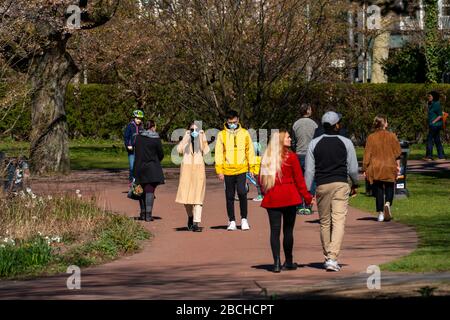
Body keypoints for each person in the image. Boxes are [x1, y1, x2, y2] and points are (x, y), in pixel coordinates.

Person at [305, 111, 358, 272]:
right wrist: (355, 183)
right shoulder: (346, 142)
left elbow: (309, 171)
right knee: (339, 221)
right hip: (340, 184)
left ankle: (328, 255)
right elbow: (353, 168)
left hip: (322, 185)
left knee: (325, 222)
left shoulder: (314, 143)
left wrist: (307, 191)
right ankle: (332, 257)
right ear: (336, 125)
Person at [259, 130, 312, 273]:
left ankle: (276, 262)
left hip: (273, 197)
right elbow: (299, 180)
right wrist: (307, 197)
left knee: (274, 232)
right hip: (289, 196)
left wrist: (266, 193)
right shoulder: (291, 157)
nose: (290, 139)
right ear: (282, 140)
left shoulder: (267, 157)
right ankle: (288, 260)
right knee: (288, 231)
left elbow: (261, 181)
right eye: (288, 137)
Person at [215, 110, 257, 231]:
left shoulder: (244, 133)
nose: (232, 124)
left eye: (234, 122)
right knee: (229, 196)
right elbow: (218, 153)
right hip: (227, 170)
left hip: (241, 169)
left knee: (242, 192)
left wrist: (252, 168)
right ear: (226, 121)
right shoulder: (221, 135)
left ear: (238, 120)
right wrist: (219, 170)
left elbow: (250, 151)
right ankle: (232, 220)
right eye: (230, 122)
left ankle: (244, 219)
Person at [363, 115, 401, 222]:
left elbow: (367, 155)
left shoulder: (371, 137)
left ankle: (380, 213)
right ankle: (388, 203)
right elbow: (397, 153)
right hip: (389, 165)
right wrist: (398, 166)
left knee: (378, 189)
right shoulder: (392, 136)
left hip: (375, 166)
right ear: (384, 124)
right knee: (390, 186)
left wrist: (365, 168)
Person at [175, 122, 210, 232]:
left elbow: (207, 152)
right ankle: (190, 216)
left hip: (199, 170)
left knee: (198, 198)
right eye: (192, 129)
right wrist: (187, 137)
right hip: (186, 170)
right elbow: (179, 150)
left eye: (196, 129)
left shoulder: (201, 135)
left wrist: (200, 138)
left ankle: (196, 223)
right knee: (186, 198)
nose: (194, 131)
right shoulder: (186, 136)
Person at [133, 120, 165, 222]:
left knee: (140, 190)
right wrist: (155, 160)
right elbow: (161, 154)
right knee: (150, 190)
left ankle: (142, 213)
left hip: (139, 167)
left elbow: (135, 151)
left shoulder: (137, 138)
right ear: (153, 127)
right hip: (152, 167)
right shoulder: (156, 139)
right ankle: (148, 215)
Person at [292, 103, 318, 215]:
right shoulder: (314, 124)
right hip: (311, 155)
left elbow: (293, 141)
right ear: (308, 111)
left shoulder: (295, 124)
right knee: (311, 181)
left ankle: (298, 205)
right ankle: (308, 204)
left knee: (298, 180)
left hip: (298, 154)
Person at [424, 91, 446, 161]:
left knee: (429, 140)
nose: (428, 97)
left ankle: (429, 156)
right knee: (437, 140)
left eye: (430, 96)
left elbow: (440, 115)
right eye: (428, 96)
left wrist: (433, 121)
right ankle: (441, 156)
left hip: (435, 125)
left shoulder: (436, 104)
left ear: (434, 97)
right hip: (433, 125)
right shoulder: (431, 104)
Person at [124, 110, 144, 184]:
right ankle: (131, 182)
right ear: (134, 118)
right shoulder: (130, 126)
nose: (139, 120)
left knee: (139, 167)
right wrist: (128, 145)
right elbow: (126, 137)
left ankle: (138, 182)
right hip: (131, 150)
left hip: (140, 150)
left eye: (140, 119)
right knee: (132, 166)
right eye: (137, 118)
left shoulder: (142, 127)